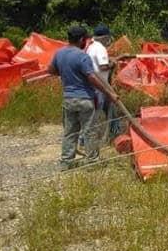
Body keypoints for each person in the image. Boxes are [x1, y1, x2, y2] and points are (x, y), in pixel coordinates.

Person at [48, 26, 118, 170]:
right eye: (85, 40)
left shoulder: (59, 54)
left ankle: (66, 162)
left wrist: (66, 75)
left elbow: (51, 70)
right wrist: (109, 93)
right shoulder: (82, 56)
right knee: (89, 130)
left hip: (68, 98)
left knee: (70, 131)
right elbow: (92, 77)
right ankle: (92, 162)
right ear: (81, 40)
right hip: (85, 99)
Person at [86, 23, 121, 140]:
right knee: (96, 113)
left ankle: (115, 133)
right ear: (105, 37)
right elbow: (103, 67)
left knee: (110, 108)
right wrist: (113, 64)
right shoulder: (100, 49)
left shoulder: (91, 47)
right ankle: (85, 140)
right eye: (108, 38)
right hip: (101, 86)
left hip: (95, 85)